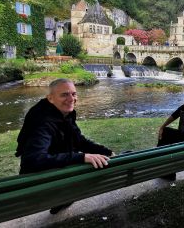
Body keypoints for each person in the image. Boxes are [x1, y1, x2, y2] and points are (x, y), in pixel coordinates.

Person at [15, 78, 114, 213]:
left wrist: (106, 151)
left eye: (73, 94)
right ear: (50, 98)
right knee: (93, 169)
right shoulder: (41, 121)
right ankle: (62, 198)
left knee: (97, 163)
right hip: (39, 182)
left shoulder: (64, 112)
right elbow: (33, 160)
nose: (71, 98)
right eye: (64, 94)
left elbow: (78, 140)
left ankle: (62, 199)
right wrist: (81, 157)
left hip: (57, 176)